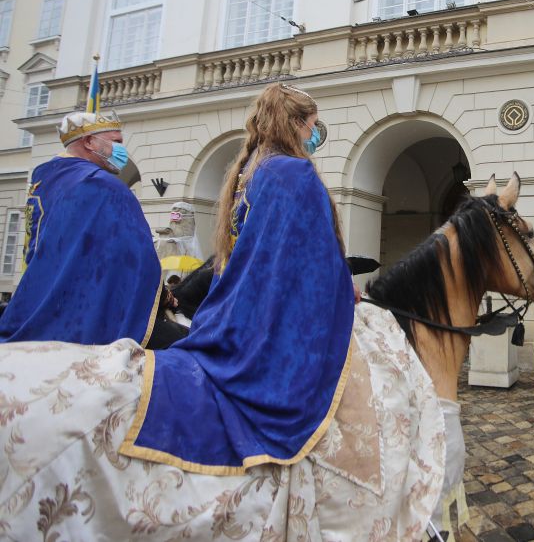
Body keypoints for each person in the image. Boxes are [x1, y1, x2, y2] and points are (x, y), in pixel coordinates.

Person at [118, 83, 357, 473]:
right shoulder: (292, 172)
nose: (314, 135)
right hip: (264, 316)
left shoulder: (250, 169)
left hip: (230, 306)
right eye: (313, 125)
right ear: (296, 123)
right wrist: (342, 285)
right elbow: (312, 254)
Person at [0, 110, 162, 345]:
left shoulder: (44, 181)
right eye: (116, 142)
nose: (121, 151)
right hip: (84, 308)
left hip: (37, 298)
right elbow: (135, 254)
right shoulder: (104, 185)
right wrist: (163, 293)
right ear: (89, 142)